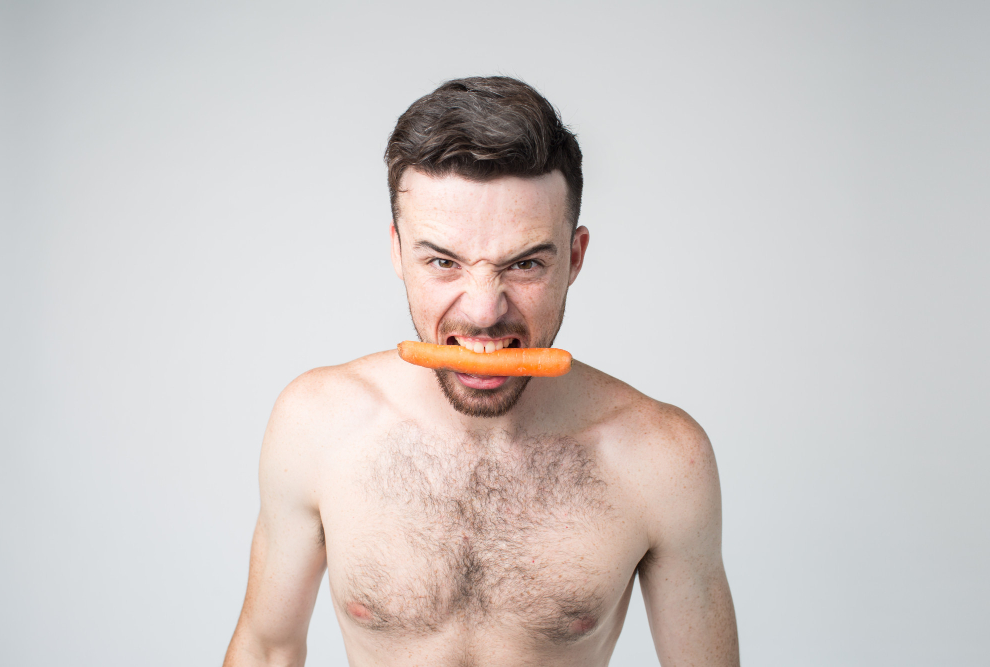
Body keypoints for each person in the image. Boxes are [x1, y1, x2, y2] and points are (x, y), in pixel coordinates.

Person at [223, 76, 739, 667]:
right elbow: (268, 647)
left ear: (574, 257)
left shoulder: (663, 458)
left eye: (524, 264)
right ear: (397, 251)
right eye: (442, 261)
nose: (483, 311)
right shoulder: (316, 423)